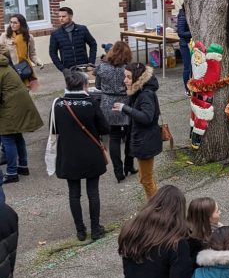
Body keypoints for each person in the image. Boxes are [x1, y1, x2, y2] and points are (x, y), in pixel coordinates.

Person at [53, 69, 110, 241]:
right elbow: (104, 128)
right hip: (91, 154)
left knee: (74, 193)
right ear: (83, 85)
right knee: (93, 192)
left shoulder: (58, 104)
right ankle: (95, 229)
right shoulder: (90, 102)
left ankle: (80, 231)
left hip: (69, 155)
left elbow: (54, 129)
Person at [113, 61, 162, 199]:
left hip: (146, 142)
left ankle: (157, 210)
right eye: (125, 76)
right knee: (145, 178)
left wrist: (125, 108)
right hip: (142, 140)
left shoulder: (145, 94)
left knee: (146, 180)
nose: (125, 80)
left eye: (128, 77)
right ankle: (158, 206)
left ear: (137, 78)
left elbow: (146, 117)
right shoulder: (138, 91)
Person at [0, 43, 43, 183]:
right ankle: (23, 166)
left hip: (11, 107)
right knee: (17, 136)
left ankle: (12, 172)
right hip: (19, 104)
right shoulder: (4, 64)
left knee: (7, 137)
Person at [95, 40, 135, 182]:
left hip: (107, 105)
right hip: (126, 103)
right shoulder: (129, 68)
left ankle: (118, 172)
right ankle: (129, 165)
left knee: (114, 138)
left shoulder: (101, 67)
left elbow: (98, 86)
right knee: (129, 136)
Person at [49, 6, 97, 73]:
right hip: (69, 69)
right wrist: (62, 69)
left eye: (63, 16)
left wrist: (91, 63)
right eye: (59, 16)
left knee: (86, 84)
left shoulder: (82, 29)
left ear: (70, 16)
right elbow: (52, 53)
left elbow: (93, 44)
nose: (61, 19)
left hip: (84, 67)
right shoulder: (55, 34)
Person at [0, 14, 41, 89]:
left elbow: (32, 54)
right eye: (11, 22)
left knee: (25, 92)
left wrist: (38, 61)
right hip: (11, 69)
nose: (12, 25)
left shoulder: (29, 37)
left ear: (21, 24)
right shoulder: (4, 36)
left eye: (15, 23)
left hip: (24, 69)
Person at [176, 5, 193, 92]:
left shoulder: (189, 14)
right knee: (188, 67)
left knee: (193, 67)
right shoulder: (183, 16)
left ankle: (193, 87)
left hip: (191, 44)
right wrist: (193, 32)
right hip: (185, 44)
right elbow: (180, 33)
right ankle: (187, 89)